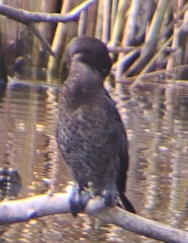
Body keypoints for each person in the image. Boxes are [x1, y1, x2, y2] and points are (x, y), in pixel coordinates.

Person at [55, 35, 136, 215]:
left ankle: (110, 189)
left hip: (110, 178)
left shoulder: (104, 102)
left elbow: (120, 148)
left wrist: (114, 185)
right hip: (80, 171)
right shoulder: (68, 95)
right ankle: (78, 186)